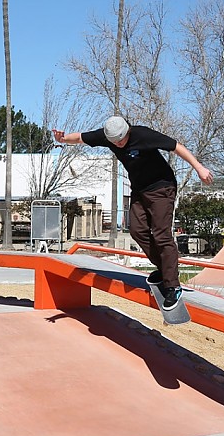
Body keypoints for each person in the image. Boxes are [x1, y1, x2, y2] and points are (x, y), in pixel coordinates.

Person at [52, 117, 213, 309]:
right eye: (115, 142)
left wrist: (199, 168)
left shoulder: (142, 134)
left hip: (162, 187)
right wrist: (63, 139)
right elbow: (80, 138)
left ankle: (173, 287)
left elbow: (177, 146)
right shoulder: (107, 136)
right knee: (137, 231)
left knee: (161, 234)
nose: (119, 144)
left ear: (128, 131)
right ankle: (164, 270)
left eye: (122, 140)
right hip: (139, 190)